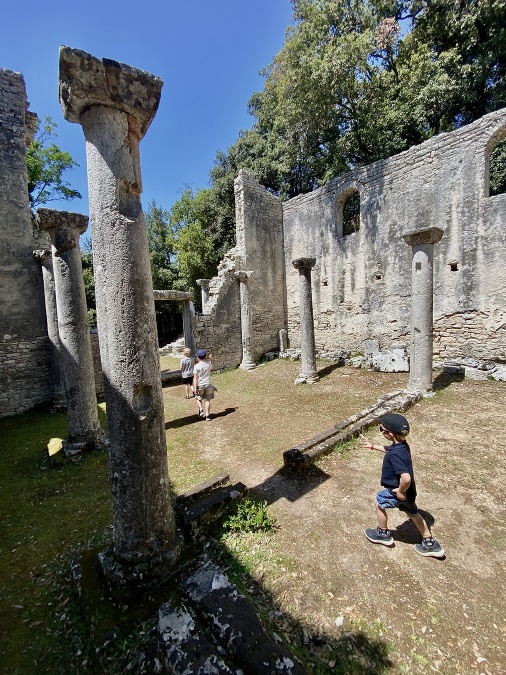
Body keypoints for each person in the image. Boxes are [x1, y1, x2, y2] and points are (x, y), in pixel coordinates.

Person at [362, 413, 445, 558]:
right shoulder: (401, 446)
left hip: (397, 490)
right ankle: (429, 542)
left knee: (378, 502)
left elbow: (405, 478)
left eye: (381, 430)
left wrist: (400, 491)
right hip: (410, 492)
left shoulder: (395, 454)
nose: (381, 432)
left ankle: (382, 533)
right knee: (413, 513)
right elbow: (390, 449)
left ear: (390, 434)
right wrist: (373, 446)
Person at [193, 349, 215, 421]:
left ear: (198, 357)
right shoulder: (208, 364)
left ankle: (201, 410)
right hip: (208, 384)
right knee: (207, 400)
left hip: (200, 384)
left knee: (198, 398)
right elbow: (211, 367)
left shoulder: (196, 366)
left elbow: (196, 378)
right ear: (205, 357)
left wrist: (195, 387)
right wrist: (210, 360)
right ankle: (208, 415)